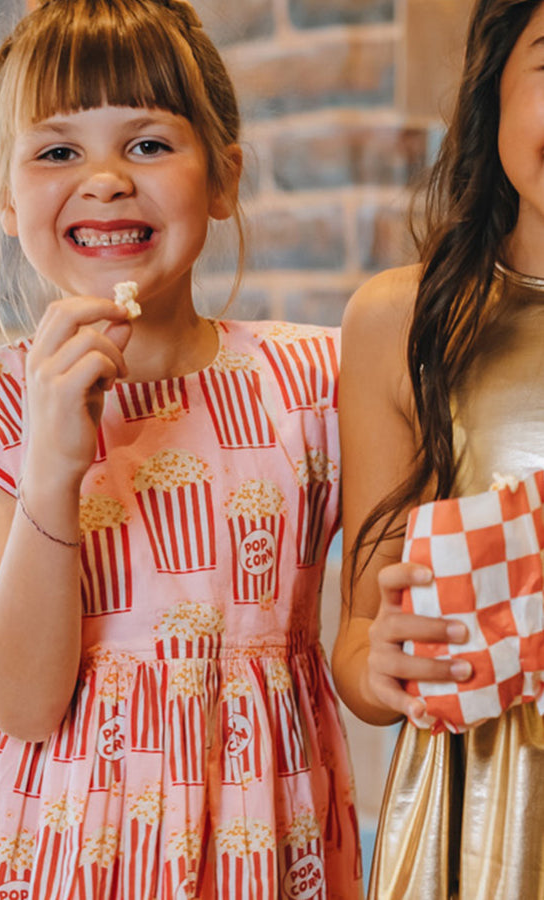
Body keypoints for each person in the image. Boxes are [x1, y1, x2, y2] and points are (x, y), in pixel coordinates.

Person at [0, 0, 362, 897]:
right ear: (6, 197)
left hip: (256, 842)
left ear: (222, 181)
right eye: (57, 152)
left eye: (147, 144)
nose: (104, 181)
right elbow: (23, 703)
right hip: (39, 850)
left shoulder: (317, 382)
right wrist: (52, 466)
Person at [333, 1, 544, 897]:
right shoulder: (405, 321)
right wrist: (384, 663)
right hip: (476, 820)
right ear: (493, 89)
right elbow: (358, 645)